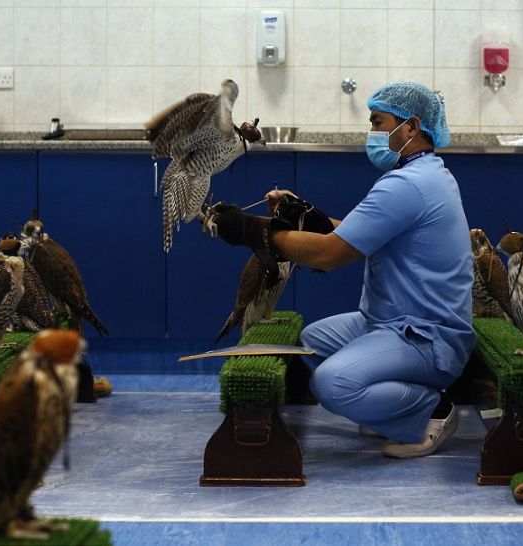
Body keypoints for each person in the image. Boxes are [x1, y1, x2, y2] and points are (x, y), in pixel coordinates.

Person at [203, 82, 475, 458]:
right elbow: (355, 233)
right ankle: (389, 408)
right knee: (312, 343)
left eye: (378, 122)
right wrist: (306, 216)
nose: (373, 133)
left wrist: (254, 230)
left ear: (411, 127)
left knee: (333, 383)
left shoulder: (408, 185)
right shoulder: (426, 174)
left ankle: (431, 410)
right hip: (391, 321)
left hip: (427, 337)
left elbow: (331, 254)